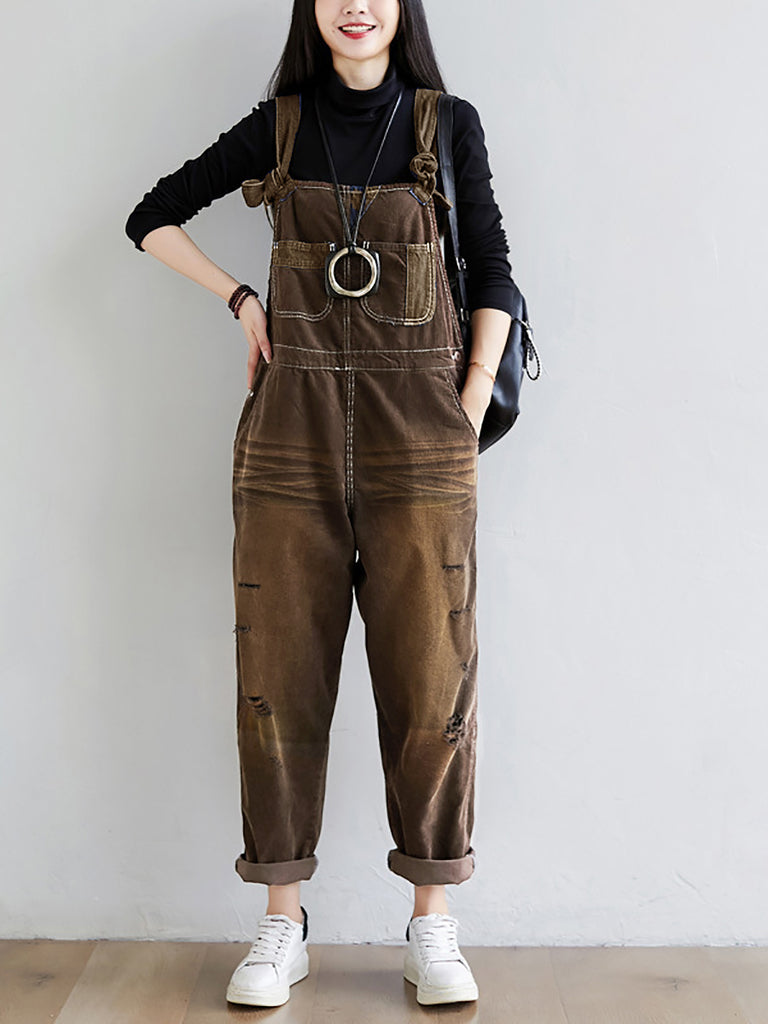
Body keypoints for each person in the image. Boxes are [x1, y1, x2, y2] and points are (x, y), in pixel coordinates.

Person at [125, 0, 517, 1008]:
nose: (356, 5)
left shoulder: (446, 124)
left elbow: (494, 274)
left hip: (421, 443)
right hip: (288, 441)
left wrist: (466, 408)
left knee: (432, 683)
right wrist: (241, 300)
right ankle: (282, 923)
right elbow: (151, 217)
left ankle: (432, 923)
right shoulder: (282, 125)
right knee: (277, 680)